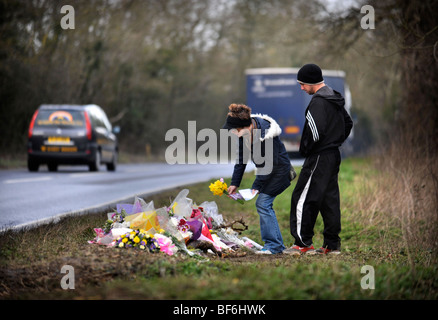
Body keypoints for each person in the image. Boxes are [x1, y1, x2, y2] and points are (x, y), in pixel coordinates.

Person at [284, 63, 353, 256]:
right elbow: (348, 122)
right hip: (333, 155)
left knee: (302, 197)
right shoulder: (334, 98)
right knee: (328, 199)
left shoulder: (318, 101)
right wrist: (335, 140)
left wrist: (306, 149)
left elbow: (314, 132)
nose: (301, 88)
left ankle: (302, 243)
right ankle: (332, 245)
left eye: (302, 84)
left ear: (310, 82)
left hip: (319, 156)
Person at [223, 103, 295, 255]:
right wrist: (235, 183)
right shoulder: (245, 134)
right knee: (263, 204)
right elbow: (241, 159)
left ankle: (274, 246)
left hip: (279, 171)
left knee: (263, 203)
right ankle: (276, 246)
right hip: (267, 171)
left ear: (246, 126)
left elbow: (270, 164)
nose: (235, 134)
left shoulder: (266, 135)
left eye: (236, 131)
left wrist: (256, 186)